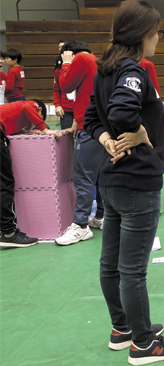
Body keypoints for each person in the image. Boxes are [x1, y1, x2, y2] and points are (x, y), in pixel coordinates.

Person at [84, 0, 164, 365]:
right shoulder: (133, 70)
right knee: (131, 269)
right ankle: (145, 344)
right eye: (157, 33)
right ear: (145, 34)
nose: (159, 39)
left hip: (110, 181)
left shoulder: (104, 70)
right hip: (136, 182)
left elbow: (91, 120)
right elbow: (121, 112)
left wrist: (106, 140)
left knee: (110, 262)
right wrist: (140, 134)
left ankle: (122, 327)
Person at [54, 40, 102, 245]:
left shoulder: (81, 58)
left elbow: (65, 86)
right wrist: (76, 120)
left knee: (82, 176)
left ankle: (81, 225)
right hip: (93, 125)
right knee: (98, 175)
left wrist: (65, 64)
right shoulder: (94, 61)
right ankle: (100, 216)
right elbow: (87, 95)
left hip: (89, 128)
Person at [0, 100, 64, 248]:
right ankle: (9, 233)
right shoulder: (30, 104)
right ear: (39, 109)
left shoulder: (10, 112)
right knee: (5, 184)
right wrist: (45, 130)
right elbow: (28, 107)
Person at [53, 40, 75, 130]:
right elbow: (56, 89)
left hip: (81, 111)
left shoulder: (81, 68)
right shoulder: (58, 71)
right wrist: (57, 105)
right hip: (66, 111)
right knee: (66, 138)